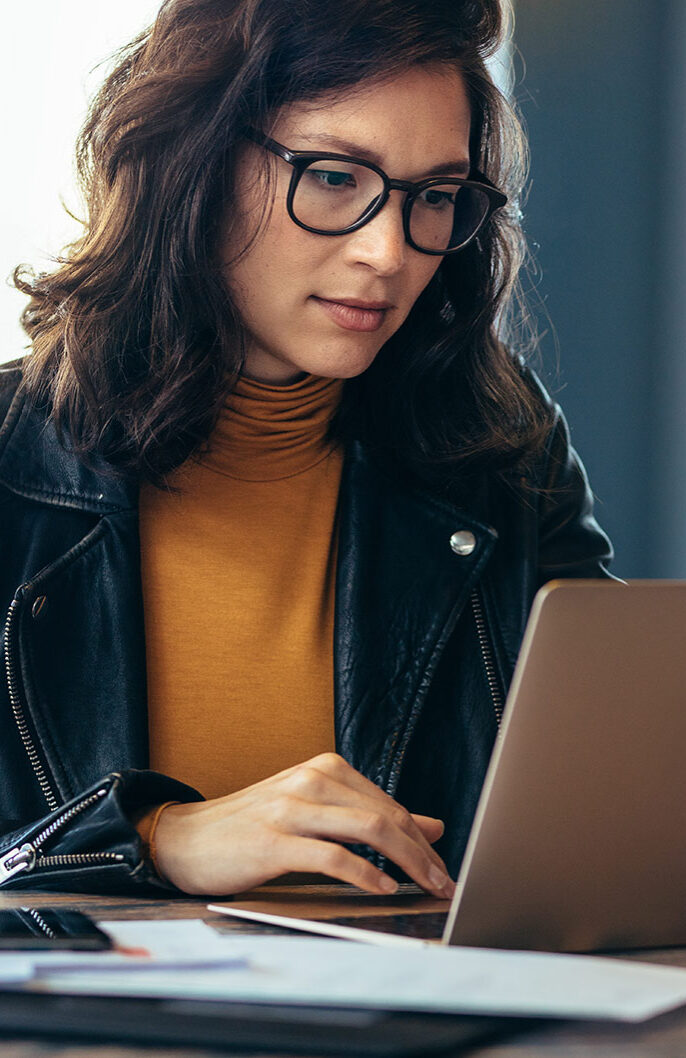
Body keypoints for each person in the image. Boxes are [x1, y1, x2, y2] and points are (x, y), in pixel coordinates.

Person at [0, 0, 612, 899]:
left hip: (425, 1022)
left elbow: (624, 798)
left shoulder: (501, 454)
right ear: (192, 164)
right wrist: (157, 838)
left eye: (435, 198)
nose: (388, 251)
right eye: (333, 177)